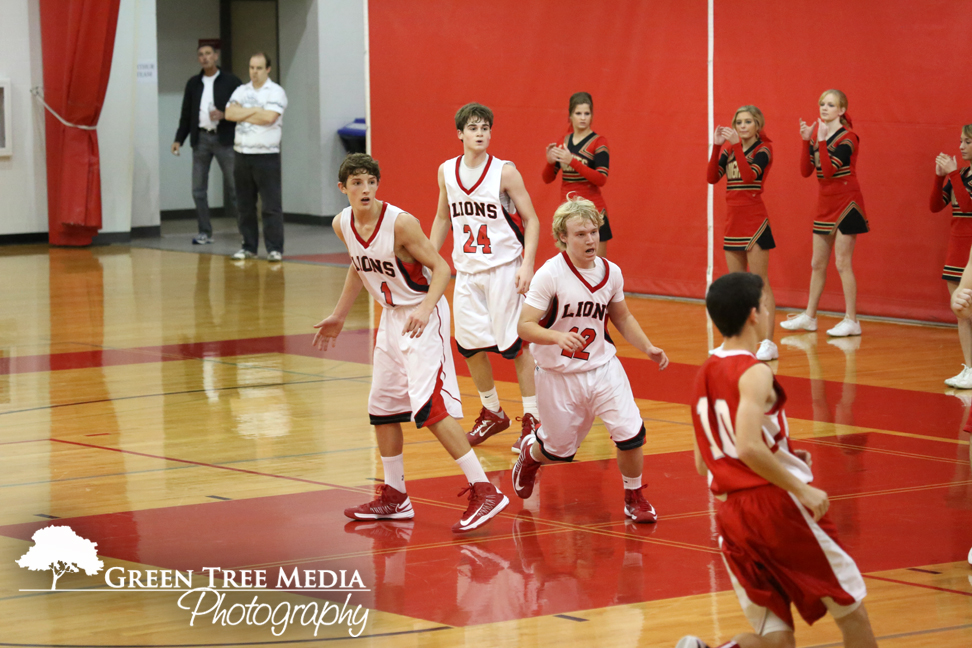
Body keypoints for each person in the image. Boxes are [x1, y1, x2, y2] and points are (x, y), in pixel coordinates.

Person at [679, 272, 877, 648]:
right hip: (775, 507)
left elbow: (704, 461)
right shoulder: (754, 371)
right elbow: (749, 447)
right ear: (755, 314)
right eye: (767, 304)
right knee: (853, 611)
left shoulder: (703, 373)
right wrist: (800, 486)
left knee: (777, 639)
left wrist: (783, 454)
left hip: (731, 515)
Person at [313, 153, 508, 533]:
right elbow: (359, 264)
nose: (365, 189)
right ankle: (395, 497)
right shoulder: (343, 225)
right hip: (390, 318)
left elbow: (442, 268)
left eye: (370, 181)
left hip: (423, 313)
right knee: (383, 409)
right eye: (356, 183)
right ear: (343, 189)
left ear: (378, 184)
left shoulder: (400, 223)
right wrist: (339, 314)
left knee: (429, 408)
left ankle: (485, 490)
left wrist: (426, 308)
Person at [512, 196, 669, 523]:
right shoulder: (549, 275)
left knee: (630, 433)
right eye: (581, 233)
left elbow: (622, 317)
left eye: (594, 232)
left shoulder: (611, 272)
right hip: (557, 375)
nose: (590, 239)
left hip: (602, 368)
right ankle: (531, 453)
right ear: (563, 237)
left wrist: (648, 347)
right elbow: (524, 327)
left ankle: (634, 495)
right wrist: (556, 336)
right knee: (557, 452)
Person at [430, 102, 542, 453]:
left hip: (504, 270)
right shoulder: (446, 171)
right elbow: (442, 218)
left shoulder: (505, 172)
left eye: (485, 128)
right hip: (466, 272)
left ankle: (533, 419)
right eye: (473, 128)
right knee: (468, 346)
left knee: (516, 346)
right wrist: (431, 261)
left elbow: (533, 220)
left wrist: (527, 265)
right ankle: (493, 411)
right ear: (460, 134)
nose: (480, 133)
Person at [782, 89, 869, 338]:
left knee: (842, 263)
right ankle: (809, 317)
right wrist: (805, 139)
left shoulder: (849, 138)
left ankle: (852, 320)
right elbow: (805, 171)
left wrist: (819, 141)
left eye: (831, 105)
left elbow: (830, 171)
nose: (824, 108)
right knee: (817, 263)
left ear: (841, 110)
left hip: (848, 203)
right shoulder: (818, 136)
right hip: (825, 203)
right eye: (822, 104)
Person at [706, 105, 778, 361]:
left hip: (755, 220)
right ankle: (736, 343)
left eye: (748, 121)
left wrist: (735, 146)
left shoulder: (763, 149)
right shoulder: (728, 150)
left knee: (759, 284)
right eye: (738, 122)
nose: (742, 126)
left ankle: (768, 342)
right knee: (736, 287)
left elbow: (749, 177)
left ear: (758, 125)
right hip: (733, 221)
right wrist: (716, 147)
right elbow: (712, 177)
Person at [171, 41, 242, 245]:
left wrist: (224, 114)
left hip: (224, 139)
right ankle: (204, 231)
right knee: (198, 189)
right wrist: (178, 139)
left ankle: (245, 230)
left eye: (208, 53)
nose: (205, 57)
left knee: (235, 187)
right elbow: (186, 114)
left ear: (216, 56)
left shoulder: (231, 81)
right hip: (200, 139)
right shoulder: (193, 83)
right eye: (201, 54)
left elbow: (243, 109)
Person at [225, 52, 288, 261]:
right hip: (242, 154)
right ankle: (248, 246)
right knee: (244, 204)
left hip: (266, 155)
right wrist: (254, 110)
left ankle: (274, 248)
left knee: (270, 205)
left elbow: (269, 118)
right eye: (252, 67)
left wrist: (245, 112)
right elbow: (229, 114)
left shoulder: (276, 92)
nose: (254, 72)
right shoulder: (241, 91)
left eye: (259, 68)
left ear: (267, 69)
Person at [542, 92, 612, 257]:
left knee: (597, 267)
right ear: (570, 116)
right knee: (569, 266)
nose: (582, 118)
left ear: (592, 115)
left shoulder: (599, 142)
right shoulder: (563, 142)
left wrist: (572, 161)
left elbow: (601, 179)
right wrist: (550, 162)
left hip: (594, 211)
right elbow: (547, 178)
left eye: (586, 113)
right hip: (567, 210)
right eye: (578, 113)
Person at [931, 125, 972, 389]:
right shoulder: (962, 174)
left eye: (967, 141)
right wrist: (938, 178)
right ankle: (969, 367)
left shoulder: (961, 175)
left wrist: (953, 173)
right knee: (961, 313)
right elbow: (935, 206)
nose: (961, 146)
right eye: (960, 141)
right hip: (956, 249)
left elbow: (968, 205)